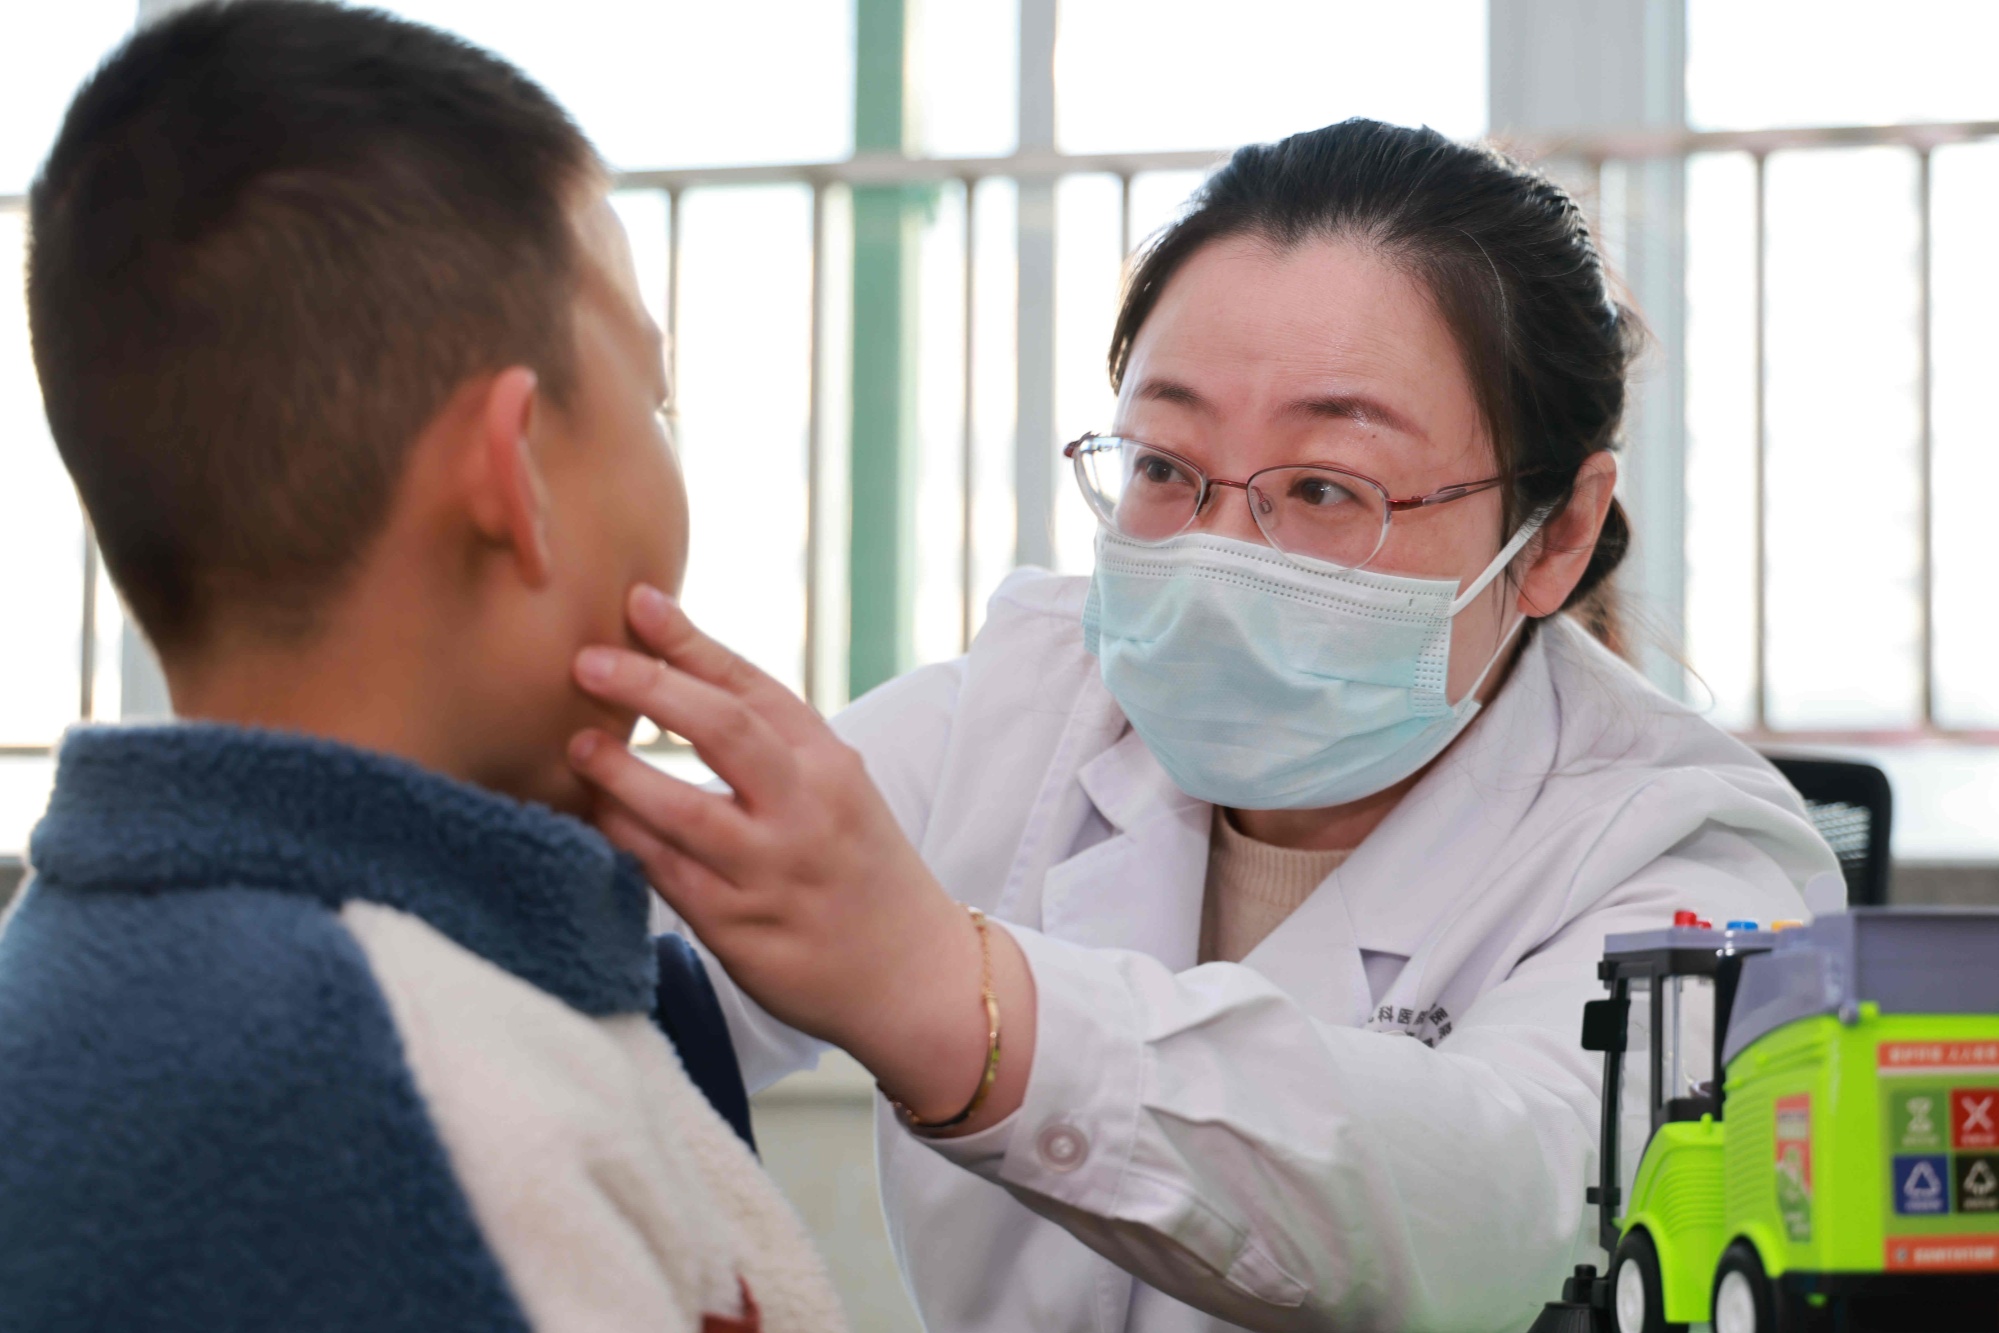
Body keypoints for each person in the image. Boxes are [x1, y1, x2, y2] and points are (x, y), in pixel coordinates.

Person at [564, 120, 1845, 1332]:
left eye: (1325, 488)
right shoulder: (1014, 712)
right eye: (1167, 468)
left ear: (1557, 532)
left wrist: (952, 997)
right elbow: (600, 973)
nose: (1219, 556)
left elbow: (1504, 1205)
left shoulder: (1689, 851)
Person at [0, 4, 842, 1330]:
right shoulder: (422, 1098)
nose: (669, 448)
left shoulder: (97, 984)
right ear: (516, 477)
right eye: (655, 399)